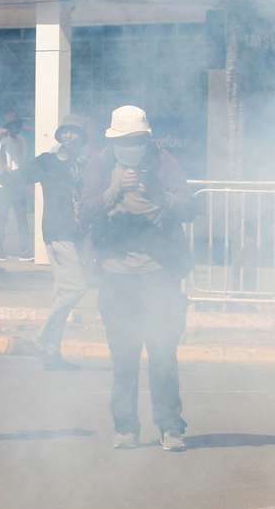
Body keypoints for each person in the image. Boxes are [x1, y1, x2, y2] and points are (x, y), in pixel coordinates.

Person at [81, 105, 195, 453]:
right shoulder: (100, 165)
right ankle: (126, 427)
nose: (133, 147)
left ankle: (170, 426)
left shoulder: (164, 163)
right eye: (126, 141)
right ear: (113, 141)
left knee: (162, 353)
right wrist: (113, 189)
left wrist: (161, 197)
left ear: (147, 140)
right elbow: (84, 213)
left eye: (139, 141)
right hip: (117, 277)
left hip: (158, 274)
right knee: (124, 357)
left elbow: (190, 207)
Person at [10, 114, 91, 370]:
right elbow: (17, 178)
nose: (69, 136)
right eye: (65, 131)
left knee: (62, 292)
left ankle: (51, 353)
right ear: (59, 136)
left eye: (74, 132)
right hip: (58, 232)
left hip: (78, 234)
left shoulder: (82, 164)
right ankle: (40, 337)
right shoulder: (47, 161)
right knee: (77, 287)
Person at [0, 110, 32, 260]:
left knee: (22, 218)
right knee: (1, 219)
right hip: (2, 186)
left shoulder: (20, 139)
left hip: (18, 183)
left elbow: (22, 160)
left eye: (17, 124)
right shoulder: (0, 141)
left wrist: (25, 181)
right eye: (11, 125)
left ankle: (25, 251)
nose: (15, 127)